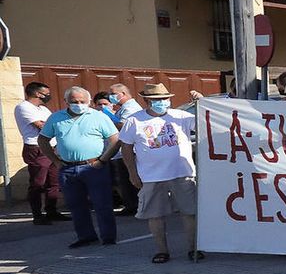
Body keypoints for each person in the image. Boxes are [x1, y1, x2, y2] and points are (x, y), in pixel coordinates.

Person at [118, 83, 203, 263]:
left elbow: (206, 124)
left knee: (190, 212)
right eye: (157, 100)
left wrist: (201, 103)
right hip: (151, 176)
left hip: (182, 172)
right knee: (155, 215)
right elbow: (126, 147)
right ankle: (162, 250)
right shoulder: (134, 120)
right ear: (147, 100)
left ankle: (193, 248)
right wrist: (132, 173)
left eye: (164, 99)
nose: (162, 102)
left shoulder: (182, 116)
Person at [38, 86, 121, 248]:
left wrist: (103, 160)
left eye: (82, 101)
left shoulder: (98, 117)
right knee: (76, 206)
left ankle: (108, 237)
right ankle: (86, 236)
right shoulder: (56, 118)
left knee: (102, 203)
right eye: (74, 102)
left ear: (89, 101)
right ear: (66, 102)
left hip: (94, 166)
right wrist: (55, 161)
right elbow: (43, 140)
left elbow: (114, 139)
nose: (78, 104)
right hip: (67, 168)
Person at [14, 82, 66, 225]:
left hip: (52, 147)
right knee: (38, 183)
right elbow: (41, 126)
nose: (48, 95)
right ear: (38, 93)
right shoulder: (23, 107)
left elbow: (52, 123)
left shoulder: (43, 108)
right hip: (37, 147)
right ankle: (37, 214)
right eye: (46, 93)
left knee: (53, 181)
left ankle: (52, 211)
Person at [106, 82, 142, 216]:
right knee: (124, 179)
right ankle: (130, 204)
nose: (111, 97)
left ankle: (134, 205)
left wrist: (107, 116)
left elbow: (124, 126)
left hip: (129, 150)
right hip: (122, 150)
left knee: (129, 179)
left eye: (113, 94)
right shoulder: (123, 108)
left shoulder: (130, 107)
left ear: (124, 94)